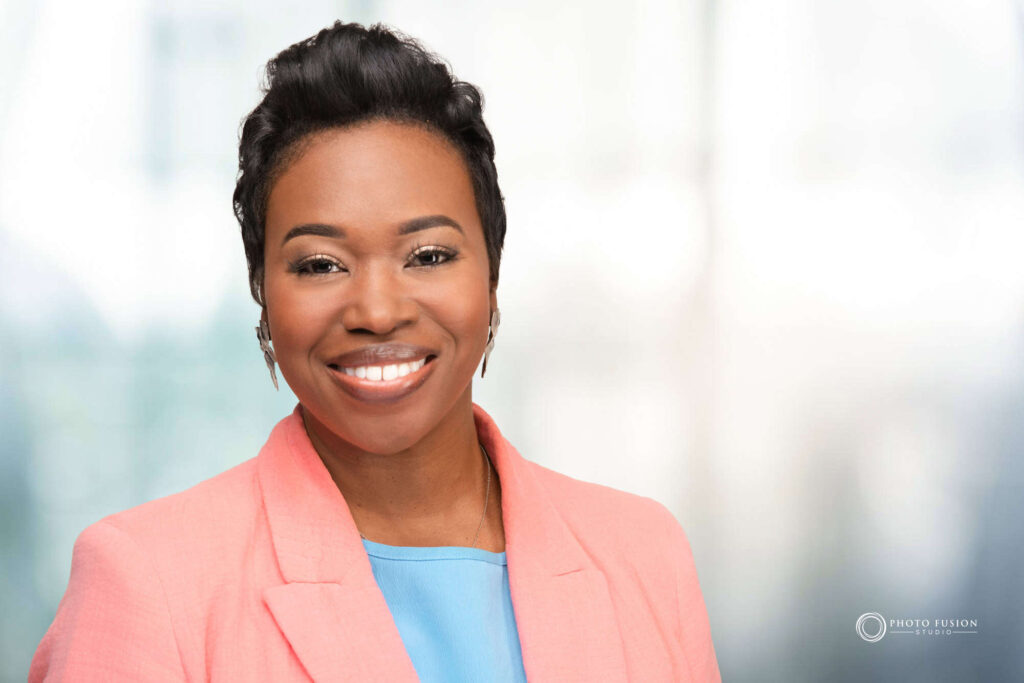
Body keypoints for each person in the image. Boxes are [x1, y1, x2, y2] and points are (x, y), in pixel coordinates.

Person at [29, 20, 720, 682]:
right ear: (262, 295)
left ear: (492, 275)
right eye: (321, 264)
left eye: (427, 254)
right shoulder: (147, 583)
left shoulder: (643, 555)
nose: (378, 310)